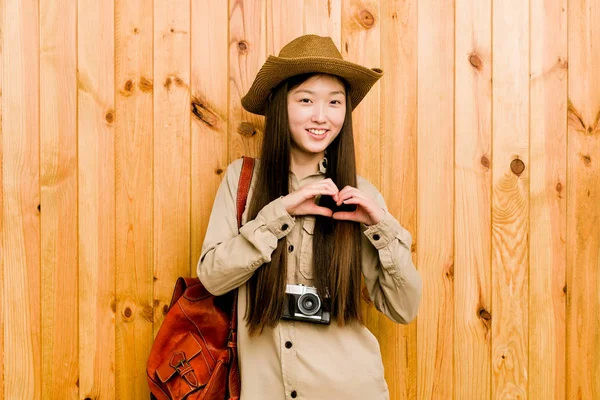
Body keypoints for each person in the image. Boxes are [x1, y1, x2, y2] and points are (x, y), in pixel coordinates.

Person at [197, 34, 422, 400]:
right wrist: (277, 215)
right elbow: (213, 279)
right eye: (305, 100)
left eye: (335, 102)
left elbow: (402, 308)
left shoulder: (359, 196)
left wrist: (382, 226)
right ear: (279, 105)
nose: (321, 116)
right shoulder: (243, 183)